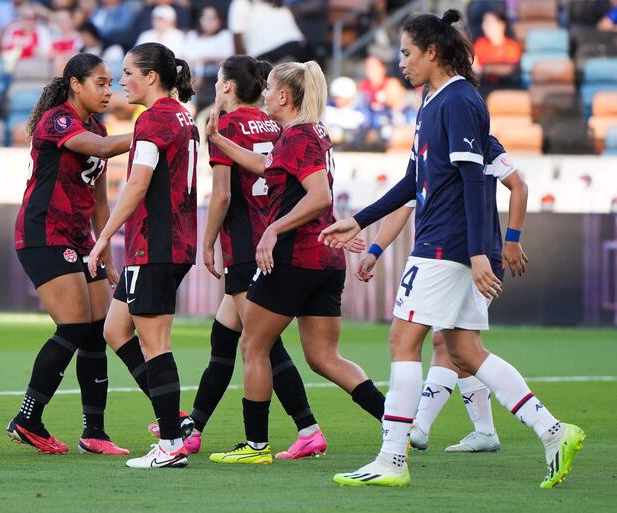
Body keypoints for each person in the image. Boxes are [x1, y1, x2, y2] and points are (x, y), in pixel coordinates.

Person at [322, 10, 584, 489]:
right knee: (464, 349)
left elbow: (472, 180)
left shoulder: (459, 100)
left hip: (444, 245)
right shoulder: (433, 100)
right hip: (452, 245)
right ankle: (553, 431)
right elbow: (411, 181)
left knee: (403, 341)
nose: (401, 62)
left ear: (432, 52)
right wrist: (357, 220)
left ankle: (392, 460)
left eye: (406, 53)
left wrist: (482, 251)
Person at [204, 61, 386, 465]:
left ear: (284, 96)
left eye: (269, 88)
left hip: (294, 257)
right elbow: (268, 168)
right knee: (324, 357)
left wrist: (272, 231)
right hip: (326, 258)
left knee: (254, 345)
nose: (265, 94)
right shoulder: (309, 132)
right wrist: (219, 139)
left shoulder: (299, 134)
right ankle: (397, 426)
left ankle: (255, 447)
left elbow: (319, 195)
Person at [169, 55, 328, 459]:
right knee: (224, 339)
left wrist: (206, 243)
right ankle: (195, 427)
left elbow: (221, 194)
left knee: (261, 345)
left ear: (226, 86)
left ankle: (305, 428)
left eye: (220, 80)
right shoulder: (275, 122)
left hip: (245, 244)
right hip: (269, 234)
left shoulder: (226, 124)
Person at [356, 135, 529, 453]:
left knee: (448, 343)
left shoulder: (481, 143)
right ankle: (485, 431)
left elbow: (518, 185)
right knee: (456, 344)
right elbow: (404, 204)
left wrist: (512, 239)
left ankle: (419, 425)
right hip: (448, 256)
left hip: (475, 258)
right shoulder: (426, 145)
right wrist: (375, 249)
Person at [8, 53, 133, 456]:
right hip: (44, 232)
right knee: (74, 327)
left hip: (80, 239)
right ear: (76, 84)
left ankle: (94, 432)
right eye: (101, 82)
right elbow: (101, 148)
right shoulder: (59, 120)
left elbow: (99, 200)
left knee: (96, 331)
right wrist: (156, 129)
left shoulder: (99, 124)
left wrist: (105, 251)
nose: (109, 90)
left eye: (111, 82)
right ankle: (28, 418)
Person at [87, 42, 199, 469]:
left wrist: (102, 240)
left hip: (155, 244)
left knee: (156, 344)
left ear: (152, 76)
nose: (121, 82)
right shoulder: (182, 117)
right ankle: (178, 424)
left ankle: (170, 441)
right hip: (170, 241)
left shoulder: (153, 118)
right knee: (116, 330)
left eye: (129, 72)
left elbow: (137, 185)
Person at [229, 0, 305, 62]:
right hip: (297, 49)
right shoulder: (243, 3)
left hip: (269, 57)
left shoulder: (240, 2)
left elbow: (237, 36)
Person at [473, 10, 520, 85]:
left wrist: (484, 69)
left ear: (501, 24)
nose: (484, 26)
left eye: (488, 22)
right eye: (483, 22)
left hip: (506, 85)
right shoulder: (480, 43)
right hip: (484, 84)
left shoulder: (511, 45)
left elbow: (510, 69)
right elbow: (474, 65)